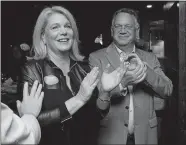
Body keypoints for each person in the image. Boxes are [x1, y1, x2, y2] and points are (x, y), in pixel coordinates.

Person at [19, 6, 128, 145]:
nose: (63, 31)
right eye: (55, 27)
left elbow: (96, 115)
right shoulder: (33, 69)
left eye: (67, 26)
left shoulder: (83, 68)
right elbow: (31, 122)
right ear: (43, 37)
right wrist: (79, 99)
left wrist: (104, 93)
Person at [89, 8, 173, 145]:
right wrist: (122, 83)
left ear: (136, 30)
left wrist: (145, 72)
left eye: (128, 26)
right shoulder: (96, 58)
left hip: (146, 137)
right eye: (118, 26)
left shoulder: (150, 58)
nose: (123, 30)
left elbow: (168, 89)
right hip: (111, 137)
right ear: (112, 30)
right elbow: (100, 104)